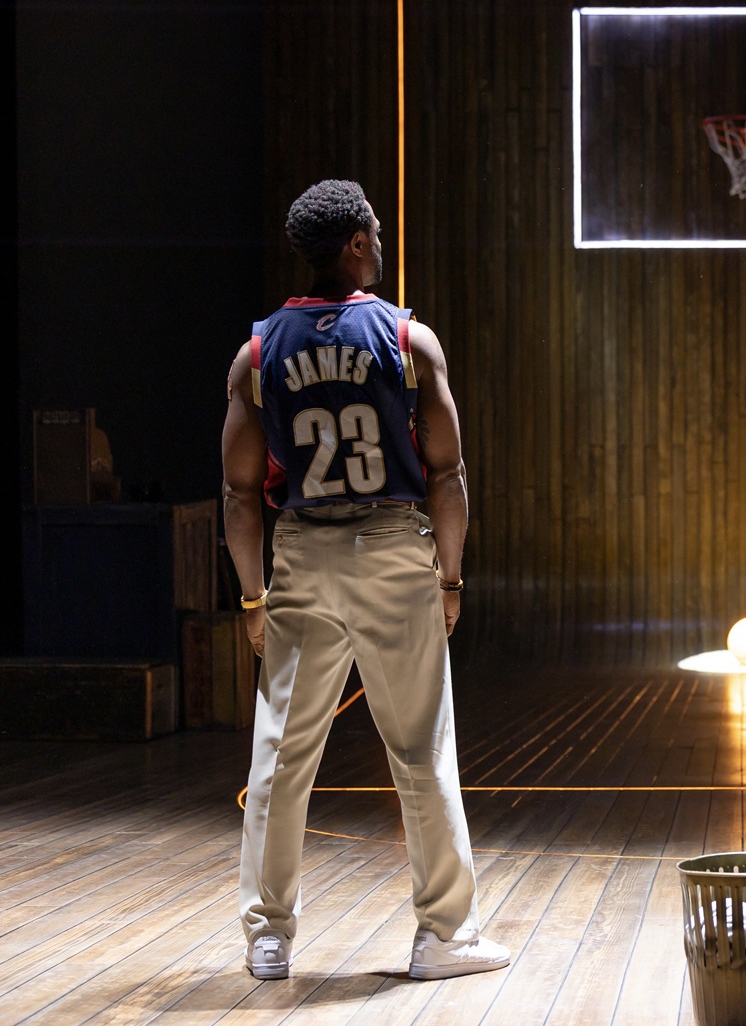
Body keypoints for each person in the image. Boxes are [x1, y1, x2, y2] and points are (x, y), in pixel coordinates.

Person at [222, 179, 510, 981]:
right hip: (391, 544)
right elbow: (447, 476)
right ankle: (444, 938)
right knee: (420, 748)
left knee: (281, 752)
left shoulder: (256, 352)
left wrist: (253, 596)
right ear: (353, 243)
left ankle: (268, 936)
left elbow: (241, 492)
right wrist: (449, 578)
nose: (380, 243)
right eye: (373, 232)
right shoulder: (410, 341)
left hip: (303, 550)